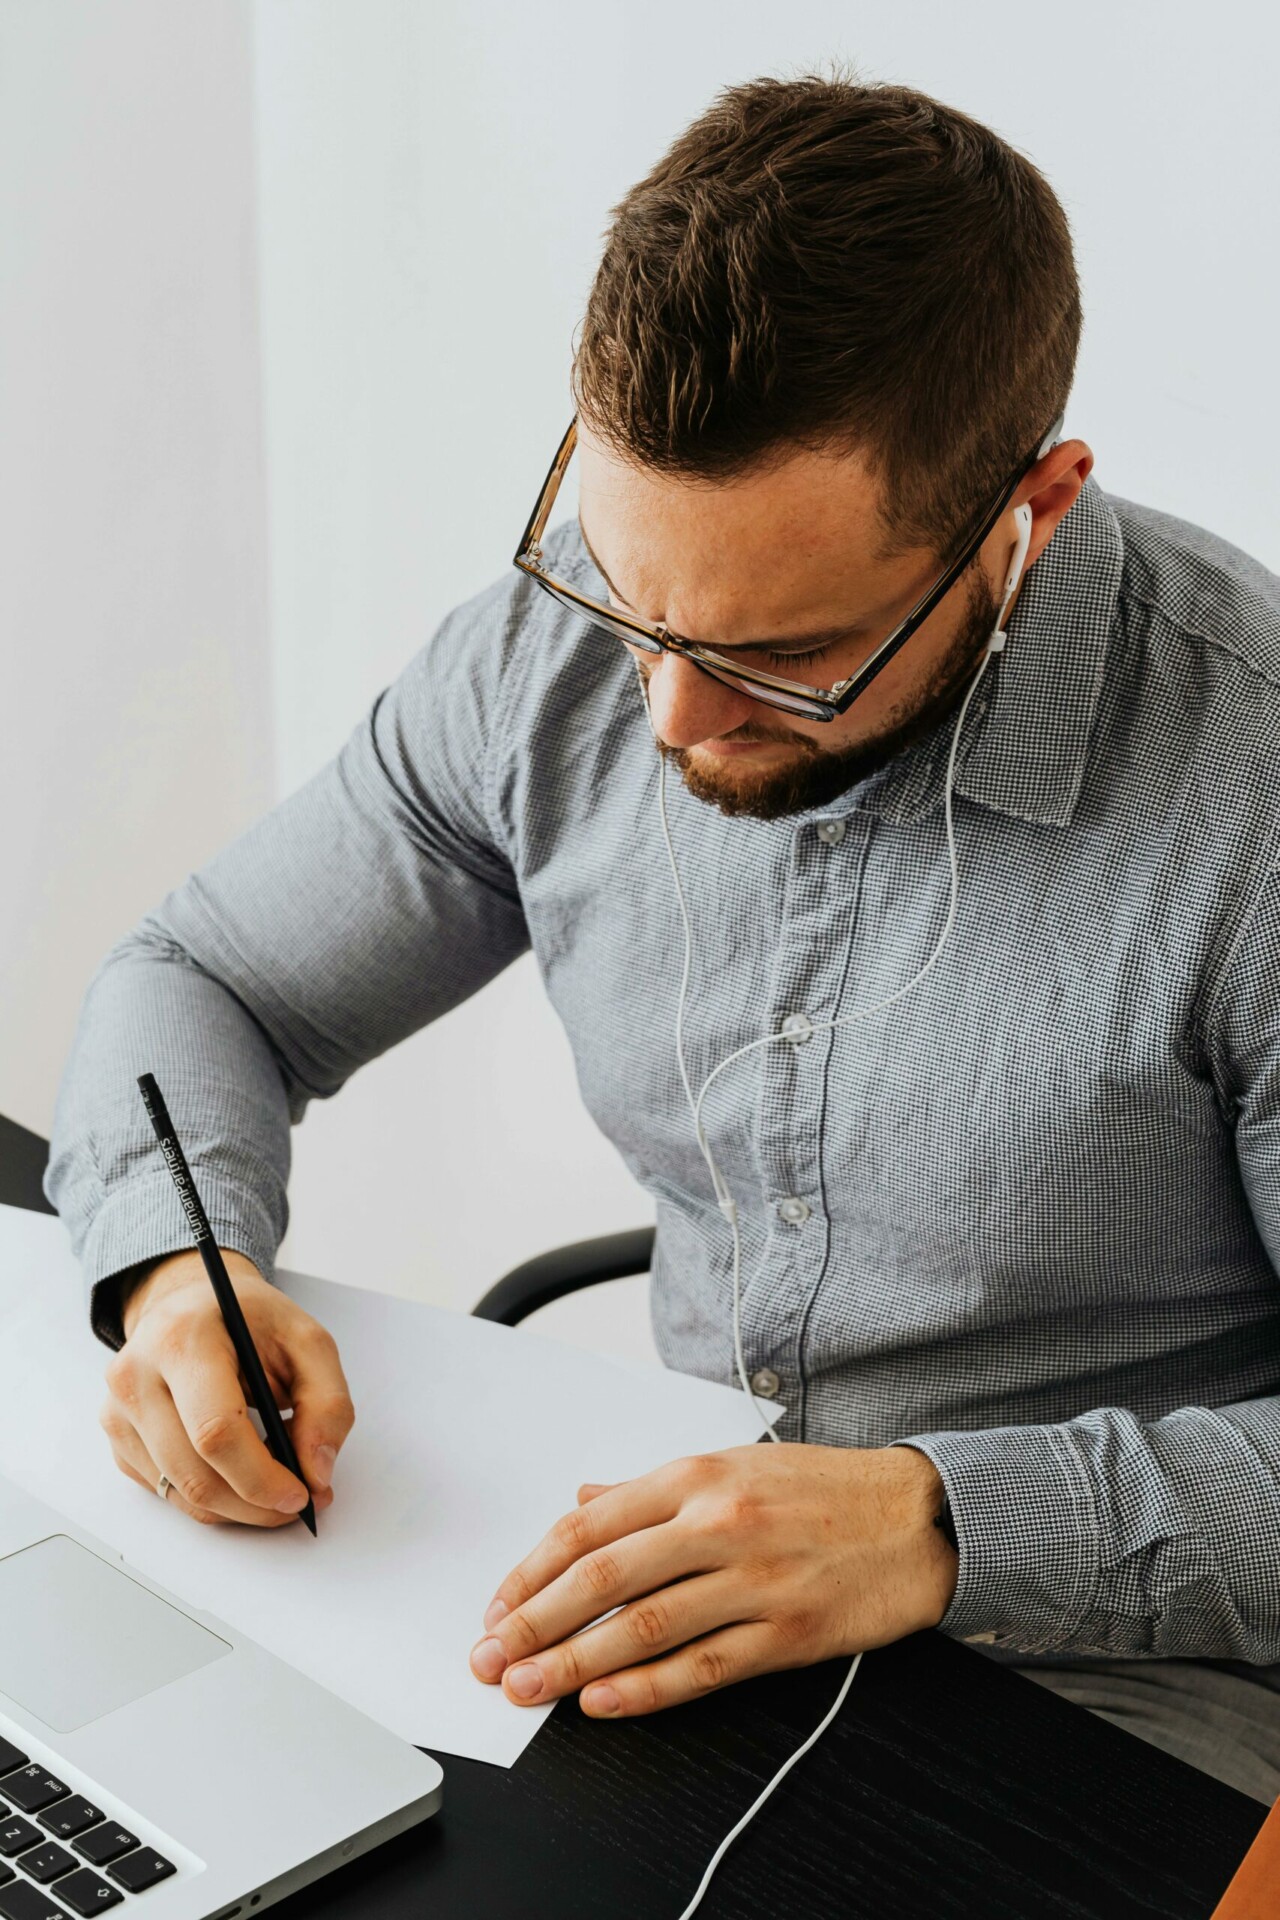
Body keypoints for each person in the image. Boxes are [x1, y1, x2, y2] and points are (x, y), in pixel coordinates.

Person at [45, 68, 1280, 1805]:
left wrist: (939, 1522)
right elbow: (206, 982)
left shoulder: (1258, 803)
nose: (676, 717)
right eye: (628, 599)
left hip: (1121, 1691)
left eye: (790, 657)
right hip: (659, 1595)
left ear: (1036, 505)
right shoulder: (566, 657)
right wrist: (185, 1267)